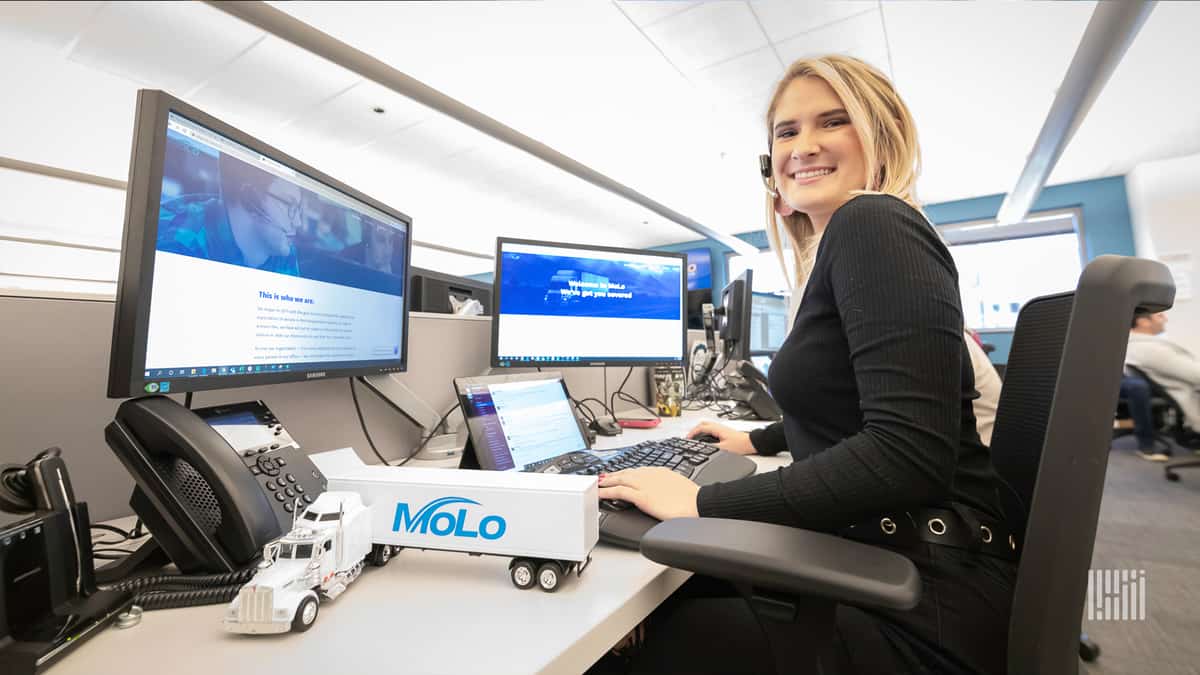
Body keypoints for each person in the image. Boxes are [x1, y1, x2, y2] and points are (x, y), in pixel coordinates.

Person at [596, 55, 1015, 674]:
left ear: (882, 136)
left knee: (641, 629)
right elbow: (853, 402)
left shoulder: (871, 223)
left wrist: (703, 503)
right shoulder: (853, 242)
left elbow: (907, 453)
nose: (805, 146)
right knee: (660, 585)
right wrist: (755, 437)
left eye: (833, 122)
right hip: (897, 562)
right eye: (787, 132)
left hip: (922, 605)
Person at [158, 153, 302, 275]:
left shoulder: (280, 246)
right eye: (289, 205)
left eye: (298, 209)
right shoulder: (180, 244)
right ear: (250, 198)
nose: (297, 222)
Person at [1126, 310, 1200, 455]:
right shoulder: (1149, 349)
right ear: (1143, 321)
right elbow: (1196, 374)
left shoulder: (1139, 344)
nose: (1165, 319)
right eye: (1160, 316)